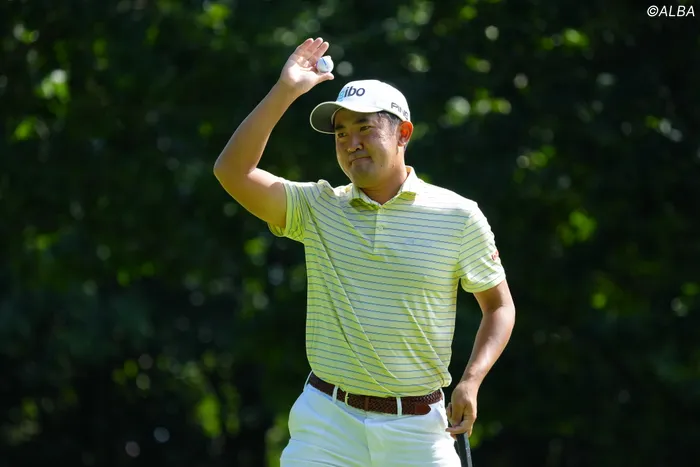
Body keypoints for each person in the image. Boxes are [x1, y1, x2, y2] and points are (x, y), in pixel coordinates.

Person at [214, 37, 516, 466]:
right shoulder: (318, 207)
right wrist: (286, 89)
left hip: (418, 429)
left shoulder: (458, 216)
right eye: (340, 133)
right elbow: (231, 170)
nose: (350, 142)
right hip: (327, 424)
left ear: (403, 134)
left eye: (364, 129)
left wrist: (471, 380)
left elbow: (498, 307)